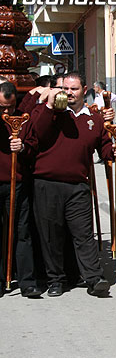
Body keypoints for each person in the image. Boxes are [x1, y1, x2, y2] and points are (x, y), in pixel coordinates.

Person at [30, 71, 114, 297]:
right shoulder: (49, 112)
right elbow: (36, 132)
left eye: (73, 89)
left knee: (83, 234)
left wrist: (113, 149)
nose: (68, 93)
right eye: (64, 89)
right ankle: (56, 279)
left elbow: (104, 147)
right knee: (51, 234)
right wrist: (49, 106)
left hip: (78, 185)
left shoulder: (94, 118)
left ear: (83, 90)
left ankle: (94, 277)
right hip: (47, 183)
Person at [0, 82, 40, 298]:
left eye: (11, 107)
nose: (7, 112)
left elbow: (34, 146)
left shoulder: (24, 120)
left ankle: (27, 281)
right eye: (2, 108)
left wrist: (22, 147)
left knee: (22, 232)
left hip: (18, 182)